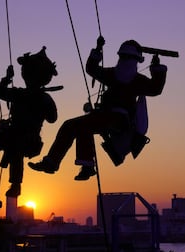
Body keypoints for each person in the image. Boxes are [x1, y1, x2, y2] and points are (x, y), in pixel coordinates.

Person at [28, 36, 168, 180]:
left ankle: (82, 166)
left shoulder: (129, 79)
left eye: (127, 57)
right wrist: (98, 48)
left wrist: (157, 69)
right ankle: (56, 163)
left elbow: (155, 89)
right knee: (71, 126)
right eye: (124, 57)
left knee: (82, 126)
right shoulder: (117, 76)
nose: (125, 61)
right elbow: (92, 69)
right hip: (104, 116)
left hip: (120, 120)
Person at [0, 47, 60, 197]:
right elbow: (52, 118)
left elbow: (0, 92)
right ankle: (13, 183)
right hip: (19, 137)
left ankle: (15, 183)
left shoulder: (22, 95)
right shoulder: (40, 98)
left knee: (5, 147)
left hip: (22, 139)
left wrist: (7, 79)